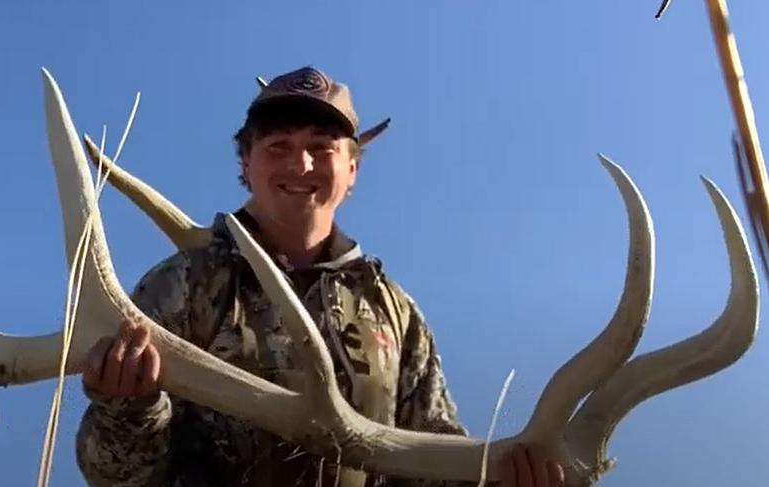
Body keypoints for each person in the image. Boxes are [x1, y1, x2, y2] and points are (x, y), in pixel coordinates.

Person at [75, 66, 565, 487]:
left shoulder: (395, 313)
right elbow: (113, 475)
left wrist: (501, 477)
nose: (301, 164)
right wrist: (126, 408)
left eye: (322, 147)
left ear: (352, 168)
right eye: (278, 146)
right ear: (245, 163)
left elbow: (431, 460)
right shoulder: (182, 284)